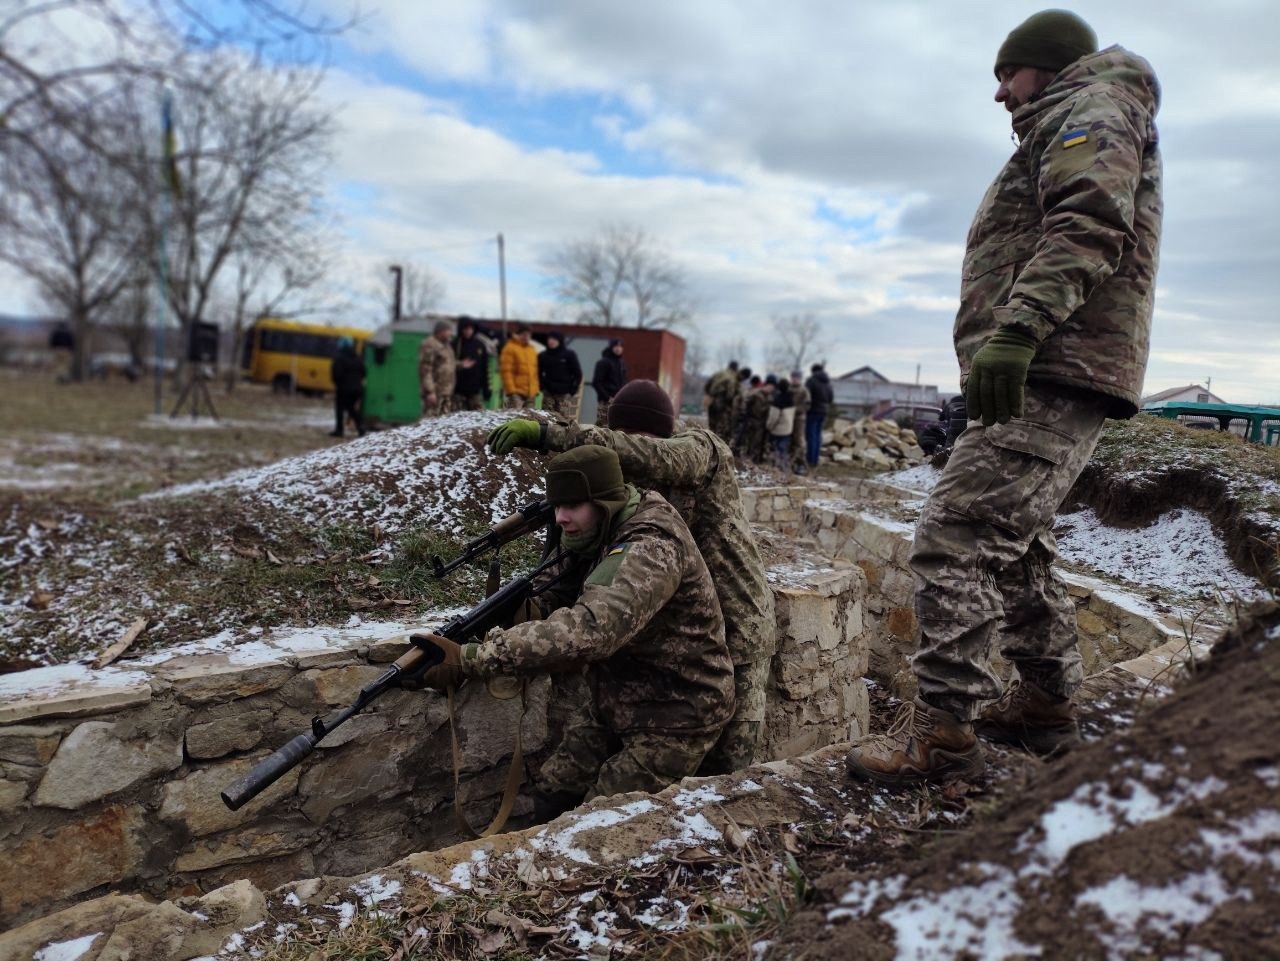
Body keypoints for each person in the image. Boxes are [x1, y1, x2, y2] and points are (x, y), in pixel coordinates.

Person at [846, 9, 1163, 785]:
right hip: (1046, 367)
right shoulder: (1070, 117)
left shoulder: (1089, 109)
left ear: (1047, 67)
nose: (998, 92)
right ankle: (1046, 705)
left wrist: (1019, 331)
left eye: (1007, 73)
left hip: (1052, 366)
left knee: (954, 533)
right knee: (1015, 545)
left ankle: (943, 733)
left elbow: (1089, 224)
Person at [487, 380, 777, 775]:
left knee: (731, 762)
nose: (627, 449)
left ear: (660, 433)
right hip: (680, 632)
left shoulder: (702, 450)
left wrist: (551, 435)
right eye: (622, 437)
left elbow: (655, 457)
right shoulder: (630, 492)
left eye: (635, 438)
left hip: (740, 623)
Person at [417, 446, 734, 806]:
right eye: (556, 505)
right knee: (552, 792)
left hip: (678, 713)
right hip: (617, 699)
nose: (560, 517)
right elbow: (556, 595)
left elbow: (592, 629)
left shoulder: (651, 545)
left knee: (596, 820)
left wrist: (473, 658)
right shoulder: (594, 531)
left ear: (605, 503)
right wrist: (523, 608)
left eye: (572, 506)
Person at [537, 331, 583, 418]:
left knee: (562, 420)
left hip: (564, 394)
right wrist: (542, 387)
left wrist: (572, 391)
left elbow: (578, 374)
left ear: (559, 341)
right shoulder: (543, 356)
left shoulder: (569, 355)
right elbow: (537, 373)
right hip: (548, 393)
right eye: (550, 339)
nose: (551, 341)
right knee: (546, 418)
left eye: (554, 339)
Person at [451, 317, 492, 411]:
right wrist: (461, 365)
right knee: (458, 419)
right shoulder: (455, 344)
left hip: (475, 391)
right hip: (458, 391)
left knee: (478, 417)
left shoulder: (479, 345)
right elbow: (447, 365)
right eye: (466, 329)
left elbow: (485, 368)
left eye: (471, 329)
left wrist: (487, 389)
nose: (468, 331)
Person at [329, 336, 366, 438]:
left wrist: (338, 383)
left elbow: (336, 374)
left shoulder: (339, 358)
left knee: (340, 408)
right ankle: (361, 427)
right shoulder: (358, 358)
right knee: (351, 408)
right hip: (358, 389)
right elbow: (364, 372)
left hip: (344, 388)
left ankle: (339, 430)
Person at [418, 320, 456, 417]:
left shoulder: (446, 345)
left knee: (443, 423)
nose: (450, 333)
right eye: (448, 331)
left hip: (445, 391)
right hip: (435, 391)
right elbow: (425, 369)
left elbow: (447, 363)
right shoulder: (429, 344)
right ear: (440, 331)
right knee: (430, 422)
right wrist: (430, 391)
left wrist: (461, 364)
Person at [499, 324, 540, 408]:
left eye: (528, 334)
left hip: (531, 393)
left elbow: (535, 371)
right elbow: (506, 372)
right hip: (516, 393)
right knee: (515, 418)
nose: (526, 337)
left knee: (529, 419)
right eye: (524, 334)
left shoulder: (532, 349)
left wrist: (535, 389)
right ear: (517, 334)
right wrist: (511, 391)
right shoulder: (509, 348)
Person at [591, 338, 628, 426]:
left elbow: (624, 381)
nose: (618, 348)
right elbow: (596, 382)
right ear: (611, 347)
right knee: (602, 428)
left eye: (620, 346)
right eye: (616, 346)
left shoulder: (622, 363)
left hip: (619, 402)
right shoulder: (603, 362)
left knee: (616, 428)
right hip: (606, 402)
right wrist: (607, 397)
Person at [704, 361, 741, 444]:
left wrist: (709, 394)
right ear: (736, 369)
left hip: (712, 400)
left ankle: (709, 444)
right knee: (722, 427)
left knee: (712, 426)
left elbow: (707, 385)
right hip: (722, 402)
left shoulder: (719, 373)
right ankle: (718, 447)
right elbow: (730, 394)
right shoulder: (732, 377)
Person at [804, 363, 833, 469]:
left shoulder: (811, 381)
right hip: (823, 411)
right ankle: (815, 460)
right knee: (818, 436)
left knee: (811, 436)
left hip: (812, 411)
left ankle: (810, 460)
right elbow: (830, 398)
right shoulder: (828, 383)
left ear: (813, 371)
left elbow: (806, 396)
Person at [766, 377, 796, 471]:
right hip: (787, 430)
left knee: (775, 450)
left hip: (777, 430)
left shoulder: (777, 400)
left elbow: (773, 418)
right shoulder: (791, 399)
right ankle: (785, 468)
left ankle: (775, 469)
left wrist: (768, 427)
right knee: (784, 451)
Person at [788, 370, 810, 474]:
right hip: (787, 418)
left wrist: (794, 410)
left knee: (799, 441)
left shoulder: (804, 391)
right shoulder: (788, 389)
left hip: (799, 419)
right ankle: (790, 462)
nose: (794, 379)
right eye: (793, 377)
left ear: (800, 379)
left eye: (796, 378)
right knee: (790, 440)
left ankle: (801, 463)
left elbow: (806, 405)